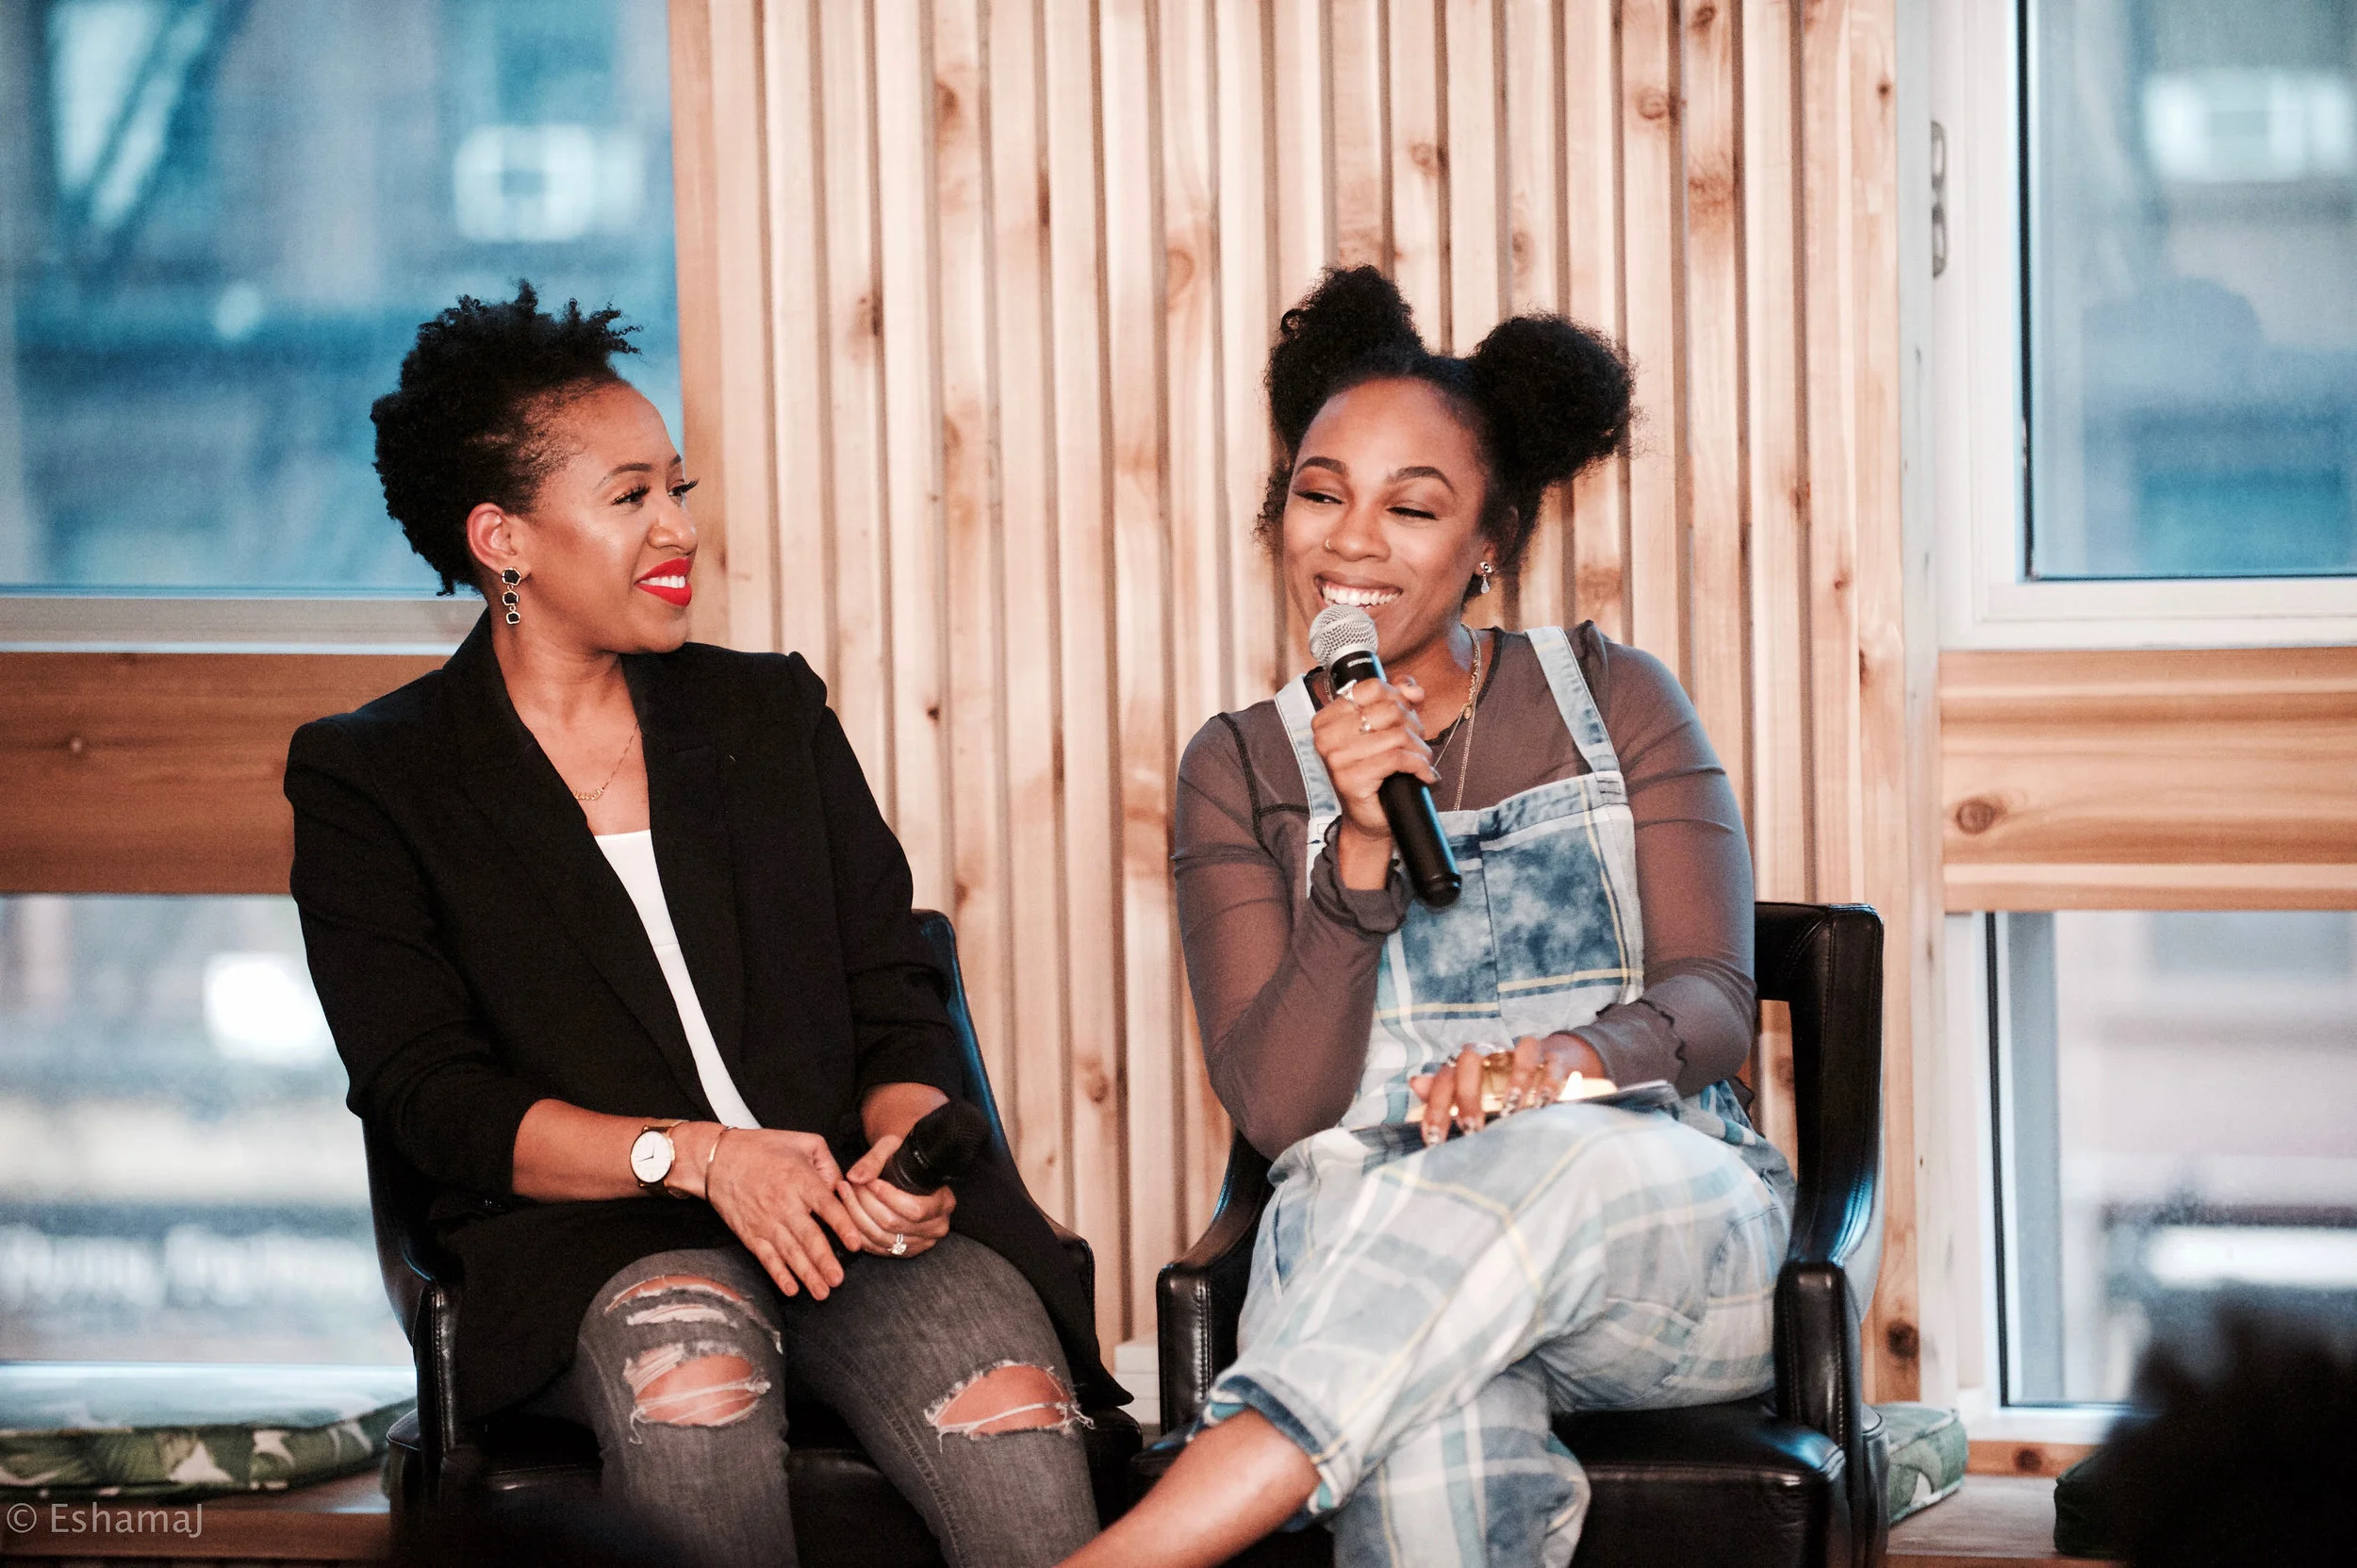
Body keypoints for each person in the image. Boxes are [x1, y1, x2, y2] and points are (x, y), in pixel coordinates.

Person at [288, 284, 1117, 1568]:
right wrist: (704, 1159)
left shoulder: (768, 715)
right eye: (632, 497)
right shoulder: (376, 779)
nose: (680, 527)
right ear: (503, 539)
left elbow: (896, 990)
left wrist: (902, 1153)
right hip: (595, 1244)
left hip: (850, 1226)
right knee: (699, 1394)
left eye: (676, 488)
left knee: (1011, 1412)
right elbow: (433, 1102)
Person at [1063, 267, 1792, 1568]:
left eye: (1411, 508)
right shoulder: (1237, 764)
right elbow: (1282, 1113)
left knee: (1561, 1159)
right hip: (1371, 1237)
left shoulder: (1616, 695)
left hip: (1652, 1234)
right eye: (1321, 493)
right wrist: (1356, 852)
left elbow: (1716, 1002)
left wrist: (1567, 1065)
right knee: (1427, 1448)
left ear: (1488, 543)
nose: (1352, 541)